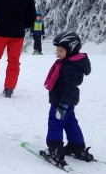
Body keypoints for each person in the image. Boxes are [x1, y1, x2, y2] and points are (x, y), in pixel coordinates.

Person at [39, 31, 93, 166]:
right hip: (66, 101)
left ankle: (54, 150)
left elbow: (69, 87)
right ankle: (76, 146)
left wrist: (62, 104)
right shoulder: (70, 63)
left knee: (55, 122)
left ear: (71, 49)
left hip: (62, 101)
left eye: (61, 50)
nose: (58, 53)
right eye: (57, 50)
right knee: (70, 122)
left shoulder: (70, 67)